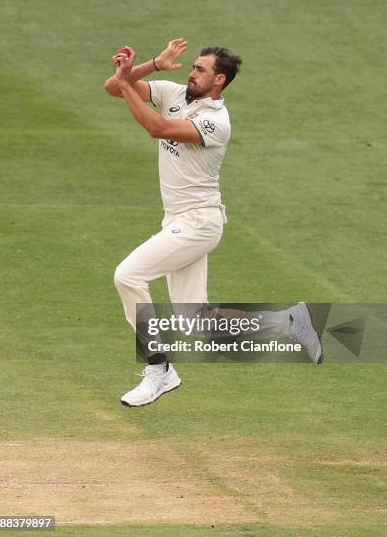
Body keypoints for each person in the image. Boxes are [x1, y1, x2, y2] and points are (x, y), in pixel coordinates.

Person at [104, 39, 323, 408]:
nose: (191, 72)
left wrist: (127, 84)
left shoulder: (215, 122)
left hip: (199, 223)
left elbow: (157, 128)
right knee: (198, 326)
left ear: (219, 80)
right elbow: (112, 87)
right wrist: (149, 65)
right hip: (177, 220)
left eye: (201, 69)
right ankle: (288, 322)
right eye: (192, 66)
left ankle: (159, 368)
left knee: (127, 275)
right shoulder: (175, 93)